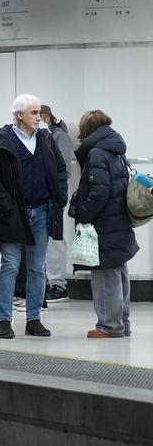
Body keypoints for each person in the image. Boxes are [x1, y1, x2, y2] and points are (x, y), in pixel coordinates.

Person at [0, 94, 68, 338]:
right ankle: (4, 320)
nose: (39, 118)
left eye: (39, 113)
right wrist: (7, 204)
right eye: (33, 113)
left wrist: (59, 198)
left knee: (37, 268)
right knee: (9, 265)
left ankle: (34, 319)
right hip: (12, 213)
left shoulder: (46, 139)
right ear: (19, 115)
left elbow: (60, 170)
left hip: (42, 211)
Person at [70, 110, 138, 338]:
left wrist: (84, 214)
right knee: (118, 273)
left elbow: (99, 192)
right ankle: (122, 324)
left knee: (104, 275)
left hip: (104, 223)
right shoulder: (116, 150)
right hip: (118, 219)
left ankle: (109, 326)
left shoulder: (97, 153)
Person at [41, 104, 76, 304]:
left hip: (52, 194)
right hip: (46, 194)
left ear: (46, 117)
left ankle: (58, 285)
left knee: (55, 240)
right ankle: (52, 283)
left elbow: (62, 170)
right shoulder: (50, 135)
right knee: (49, 241)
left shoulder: (58, 136)